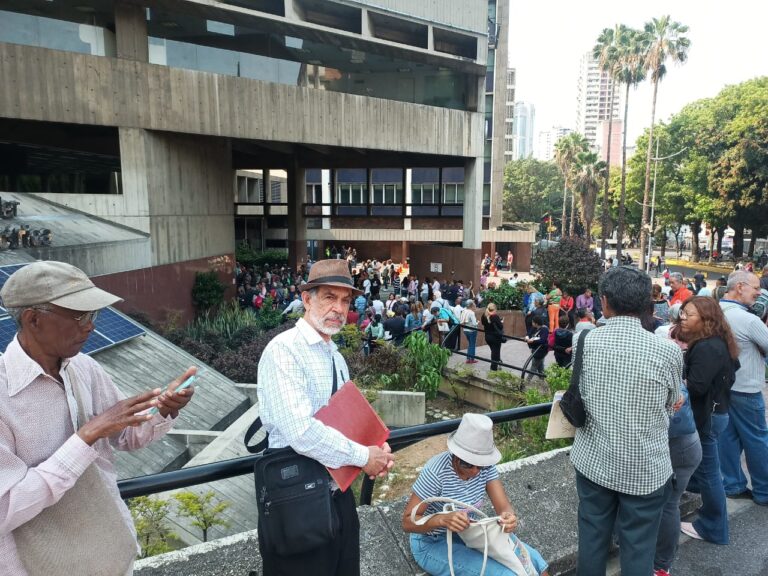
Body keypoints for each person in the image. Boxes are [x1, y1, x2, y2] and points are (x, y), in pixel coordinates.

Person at [0, 261, 196, 576]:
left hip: (110, 552)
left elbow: (127, 436)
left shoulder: (84, 368)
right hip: (42, 567)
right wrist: (86, 436)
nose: (90, 326)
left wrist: (165, 408)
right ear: (33, 319)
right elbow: (6, 508)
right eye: (79, 315)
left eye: (93, 315)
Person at [256, 259, 394, 576]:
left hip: (337, 498)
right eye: (329, 297)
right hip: (297, 502)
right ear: (307, 299)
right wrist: (363, 456)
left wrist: (376, 450)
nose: (339, 308)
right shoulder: (284, 351)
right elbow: (300, 431)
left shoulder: (333, 354)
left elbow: (345, 422)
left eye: (345, 300)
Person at [570, 266, 682, 576]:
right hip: (645, 468)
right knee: (639, 548)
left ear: (604, 302)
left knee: (591, 540)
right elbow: (672, 405)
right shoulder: (667, 351)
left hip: (594, 461)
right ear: (648, 303)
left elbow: (577, 389)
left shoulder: (585, 341)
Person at [402, 413, 549, 576]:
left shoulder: (485, 467)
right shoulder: (436, 472)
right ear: (455, 455)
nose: (475, 471)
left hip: (468, 534)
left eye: (481, 466)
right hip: (432, 542)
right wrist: (443, 519)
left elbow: (504, 507)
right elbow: (408, 522)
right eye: (468, 464)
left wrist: (509, 518)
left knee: (536, 561)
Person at [676, 296, 739, 545]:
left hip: (708, 417)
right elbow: (734, 368)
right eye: (682, 312)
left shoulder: (706, 346)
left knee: (710, 473)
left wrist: (678, 382)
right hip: (718, 413)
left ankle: (713, 526)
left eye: (688, 314)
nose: (682, 317)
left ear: (706, 320)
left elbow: (698, 386)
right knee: (707, 471)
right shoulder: (718, 342)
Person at [652, 310, 702, 576]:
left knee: (667, 505)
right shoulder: (676, 379)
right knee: (667, 504)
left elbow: (675, 414)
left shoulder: (674, 385)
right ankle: (661, 563)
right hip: (687, 447)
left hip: (680, 448)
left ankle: (661, 565)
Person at [718, 271, 768, 506]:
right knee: (757, 439)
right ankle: (764, 490)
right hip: (746, 387)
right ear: (740, 287)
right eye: (756, 288)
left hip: (723, 386)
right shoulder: (748, 319)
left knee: (727, 438)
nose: (759, 293)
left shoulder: (714, 310)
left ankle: (733, 484)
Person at [481, 303, 505, 371]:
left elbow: (483, 323)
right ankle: (493, 368)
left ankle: (498, 362)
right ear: (494, 309)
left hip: (488, 337)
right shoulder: (495, 316)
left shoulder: (484, 315)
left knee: (494, 351)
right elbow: (500, 326)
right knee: (495, 352)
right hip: (495, 337)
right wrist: (501, 322)